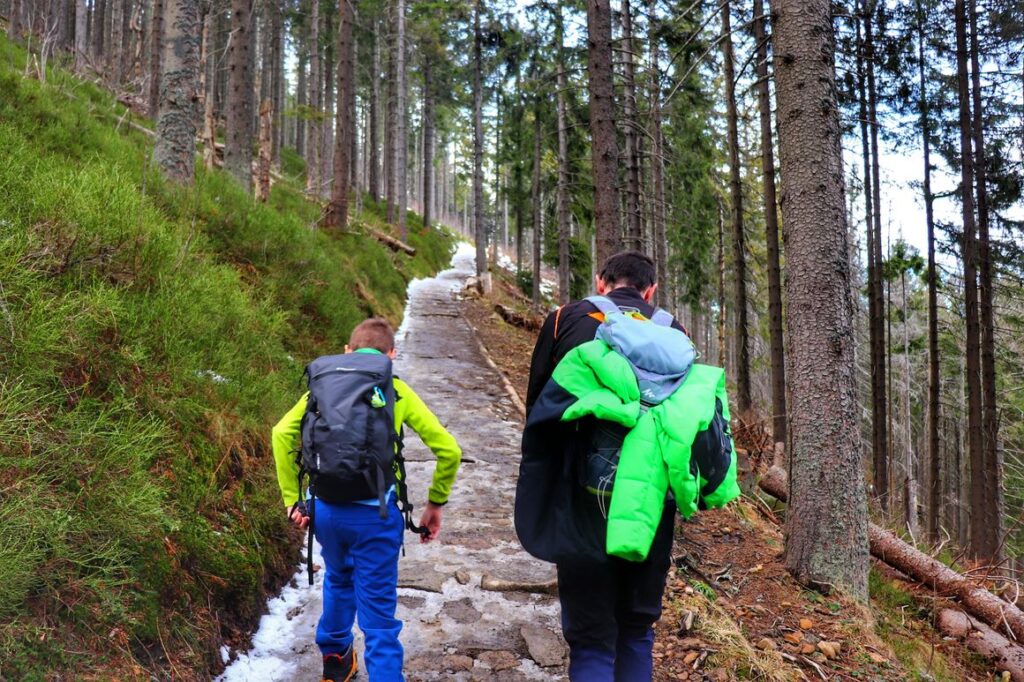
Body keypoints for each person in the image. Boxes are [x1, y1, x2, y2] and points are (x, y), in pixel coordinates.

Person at [515, 251, 739, 681]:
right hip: (651, 503)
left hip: (582, 499)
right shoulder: (673, 331)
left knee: (591, 637)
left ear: (602, 283)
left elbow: (539, 407)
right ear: (650, 290)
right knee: (635, 630)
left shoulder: (564, 319)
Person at [272, 317, 462, 682]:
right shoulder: (395, 389)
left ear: (348, 349)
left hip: (325, 511)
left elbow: (281, 434)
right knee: (378, 617)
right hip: (375, 516)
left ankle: (337, 663)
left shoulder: (321, 387)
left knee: (339, 578)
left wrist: (293, 500)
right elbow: (449, 450)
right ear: (391, 353)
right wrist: (434, 504)